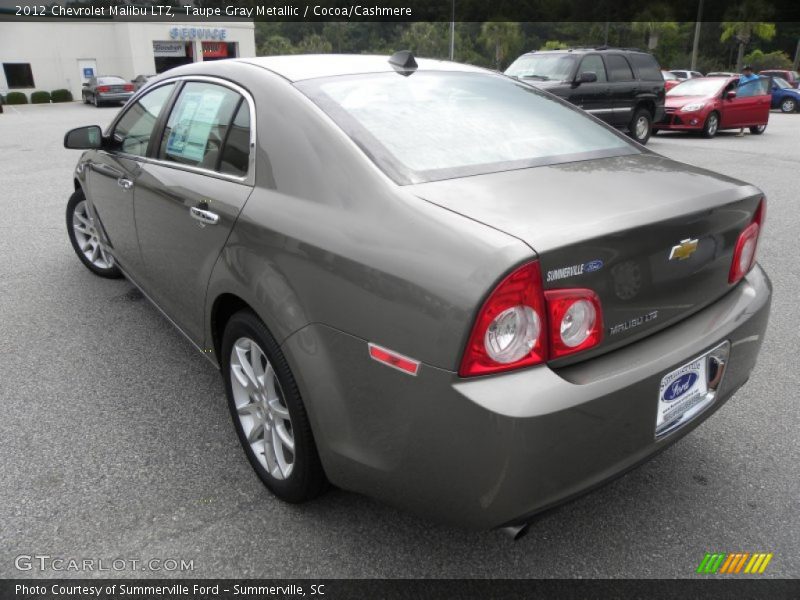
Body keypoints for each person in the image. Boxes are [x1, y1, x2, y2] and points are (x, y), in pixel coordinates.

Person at [737, 65, 759, 136]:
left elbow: (758, 89)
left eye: (747, 70)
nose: (746, 72)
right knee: (740, 114)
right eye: (745, 70)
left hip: (748, 98)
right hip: (740, 98)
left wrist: (755, 98)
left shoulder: (755, 78)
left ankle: (742, 131)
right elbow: (738, 86)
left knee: (744, 114)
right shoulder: (742, 77)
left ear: (751, 71)